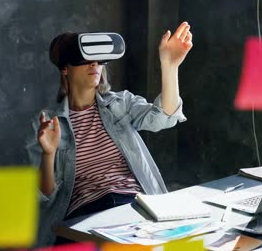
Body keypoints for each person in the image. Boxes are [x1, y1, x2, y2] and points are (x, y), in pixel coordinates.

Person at [25, 22, 193, 246]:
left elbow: (164, 117)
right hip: (84, 216)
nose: (94, 64)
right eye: (84, 58)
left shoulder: (120, 103)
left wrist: (169, 66)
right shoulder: (47, 122)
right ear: (65, 68)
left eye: (99, 58)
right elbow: (44, 195)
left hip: (133, 206)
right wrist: (48, 153)